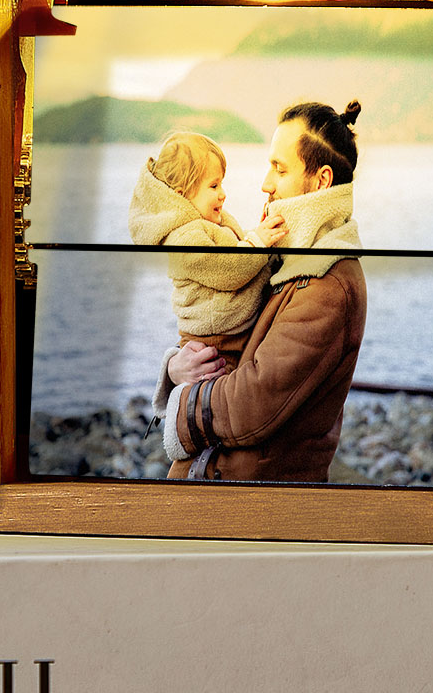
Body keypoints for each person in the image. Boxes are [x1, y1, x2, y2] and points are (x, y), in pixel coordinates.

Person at [158, 100, 368, 482]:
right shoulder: (289, 258)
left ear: (321, 181)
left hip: (252, 503)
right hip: (220, 488)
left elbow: (252, 404)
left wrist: (179, 404)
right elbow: (226, 329)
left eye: (280, 169)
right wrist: (177, 366)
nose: (265, 184)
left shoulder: (328, 283)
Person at [127, 132, 288, 374]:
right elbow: (228, 270)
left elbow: (235, 246)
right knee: (221, 386)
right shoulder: (184, 239)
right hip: (214, 344)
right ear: (181, 195)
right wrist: (258, 242)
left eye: (221, 183)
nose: (223, 193)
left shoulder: (211, 221)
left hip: (231, 333)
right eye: (213, 186)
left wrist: (261, 237)